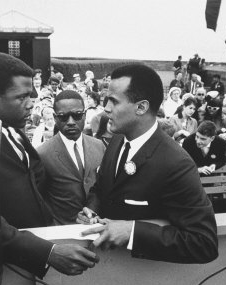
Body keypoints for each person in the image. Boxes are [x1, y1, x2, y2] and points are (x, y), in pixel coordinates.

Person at [0, 52, 99, 285]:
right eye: (22, 97)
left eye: (32, 95)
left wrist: (67, 220)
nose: (31, 103)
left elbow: (35, 188)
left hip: (30, 261)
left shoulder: (12, 129)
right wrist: (47, 253)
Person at [79, 64, 218, 264]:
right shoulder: (117, 139)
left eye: (114, 101)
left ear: (141, 107)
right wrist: (92, 209)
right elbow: (102, 188)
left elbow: (204, 243)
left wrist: (132, 231)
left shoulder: (176, 163)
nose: (106, 108)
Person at [36, 90, 105, 225]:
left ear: (85, 115)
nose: (71, 122)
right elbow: (40, 199)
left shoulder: (99, 146)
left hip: (98, 229)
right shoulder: (42, 154)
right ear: (55, 118)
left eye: (77, 115)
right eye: (63, 117)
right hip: (62, 233)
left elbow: (103, 187)